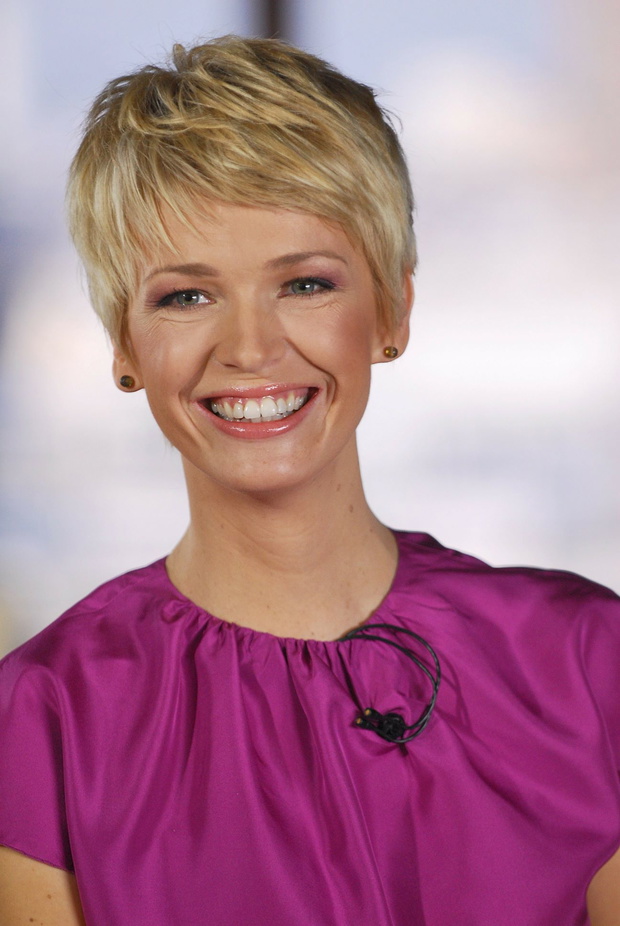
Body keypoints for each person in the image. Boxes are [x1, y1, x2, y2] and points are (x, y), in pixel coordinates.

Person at [0, 34, 618, 926]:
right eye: (186, 296)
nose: (250, 349)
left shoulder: (584, 664)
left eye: (305, 284)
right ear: (125, 344)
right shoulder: (46, 718)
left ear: (394, 309)